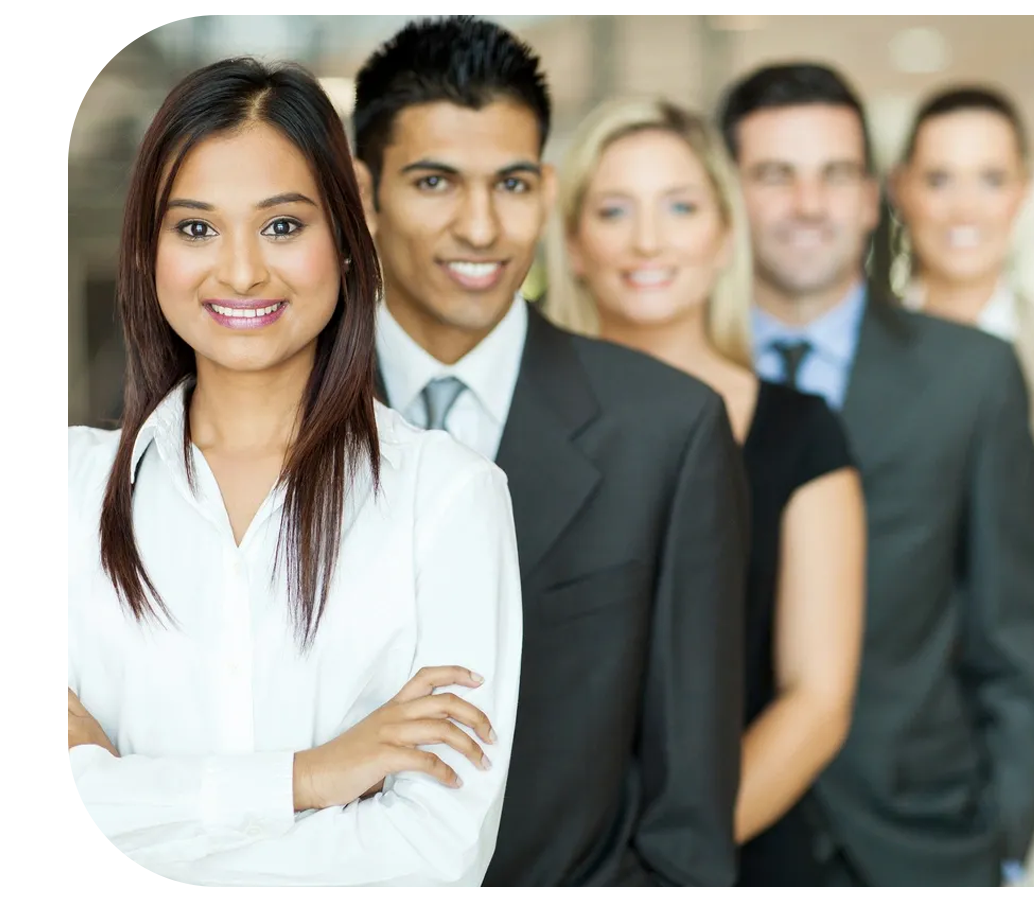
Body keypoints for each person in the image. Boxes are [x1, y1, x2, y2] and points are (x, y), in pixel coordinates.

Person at [66, 57, 524, 890]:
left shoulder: (452, 497)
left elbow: (429, 857)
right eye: (195, 228)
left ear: (347, 241)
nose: (241, 272)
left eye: (282, 226)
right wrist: (308, 778)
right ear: (147, 251)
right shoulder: (34, 492)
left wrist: (120, 811)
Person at [353, 15, 750, 894]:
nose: (482, 225)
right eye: (434, 181)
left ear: (548, 188)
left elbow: (689, 809)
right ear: (362, 194)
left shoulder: (668, 430)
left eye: (512, 182)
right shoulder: (269, 413)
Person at [718, 62, 1034, 893]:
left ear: (870, 195)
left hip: (923, 840)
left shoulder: (975, 376)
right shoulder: (677, 380)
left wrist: (1005, 833)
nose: (810, 204)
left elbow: (1010, 632)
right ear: (728, 193)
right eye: (775, 175)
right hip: (722, 831)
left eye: (836, 174)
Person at [542, 95, 866, 892]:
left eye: (680, 207)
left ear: (725, 236)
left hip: (735, 858)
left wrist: (658, 864)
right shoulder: (512, 424)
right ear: (575, 244)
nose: (648, 240)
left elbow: (817, 700)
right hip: (538, 862)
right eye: (615, 210)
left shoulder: (801, 431)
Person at [888, 84, 1034, 432]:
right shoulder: (856, 344)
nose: (965, 209)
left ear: (1024, 188)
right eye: (939, 180)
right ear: (900, 188)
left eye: (992, 180)